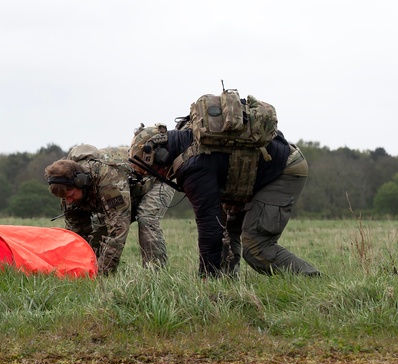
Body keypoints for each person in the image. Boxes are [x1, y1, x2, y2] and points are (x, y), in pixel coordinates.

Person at [129, 116, 320, 278]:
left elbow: (209, 226)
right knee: (227, 230)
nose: (156, 175)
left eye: (152, 170)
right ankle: (227, 283)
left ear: (160, 155)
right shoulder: (188, 142)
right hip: (256, 174)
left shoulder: (193, 167)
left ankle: (312, 279)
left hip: (284, 170)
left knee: (257, 249)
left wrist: (206, 277)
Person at [44, 144, 171, 274]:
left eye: (70, 196)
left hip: (156, 179)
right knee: (99, 230)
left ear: (81, 182)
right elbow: (77, 235)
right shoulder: (67, 190)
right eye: (64, 198)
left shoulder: (108, 177)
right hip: (127, 191)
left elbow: (118, 228)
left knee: (146, 218)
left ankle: (155, 273)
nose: (69, 201)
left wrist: (102, 273)